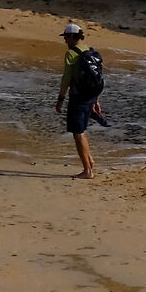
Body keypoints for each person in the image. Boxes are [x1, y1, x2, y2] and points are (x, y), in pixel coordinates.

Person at [56, 23, 108, 179]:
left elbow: (66, 78)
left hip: (78, 98)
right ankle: (89, 161)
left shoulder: (72, 54)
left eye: (66, 37)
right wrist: (96, 100)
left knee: (78, 133)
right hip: (90, 96)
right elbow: (98, 78)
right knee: (82, 131)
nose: (65, 41)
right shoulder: (91, 52)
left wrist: (60, 99)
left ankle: (87, 171)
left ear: (72, 37)